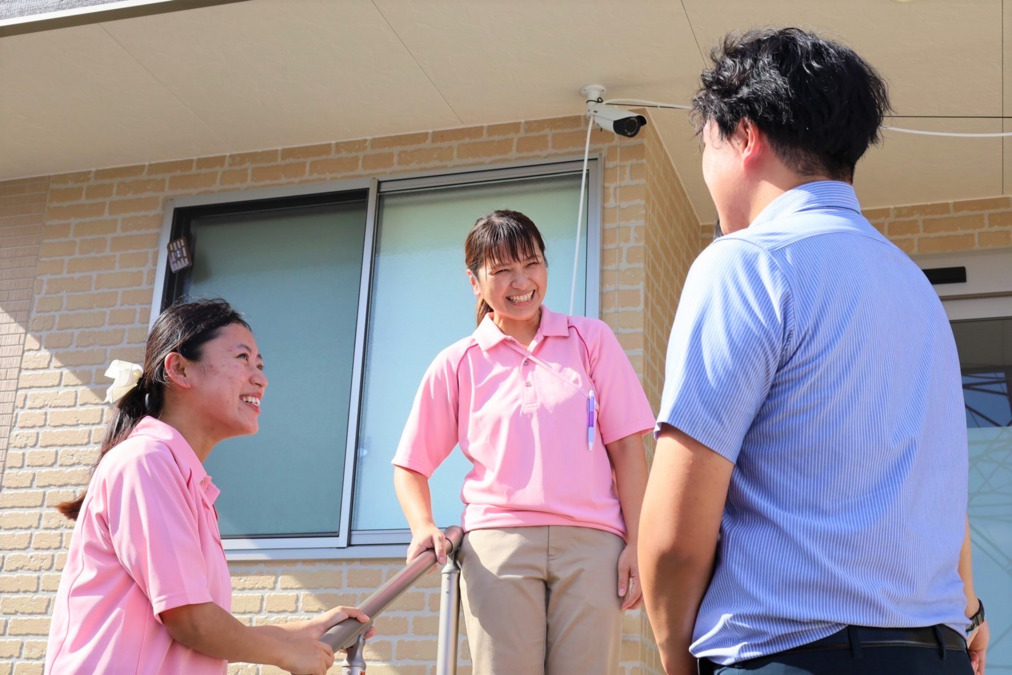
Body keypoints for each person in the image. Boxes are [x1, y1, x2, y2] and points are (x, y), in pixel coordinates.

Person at [638, 27, 989, 675]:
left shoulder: (746, 263)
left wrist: (674, 654)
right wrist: (969, 610)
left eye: (707, 144)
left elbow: (676, 535)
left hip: (790, 654)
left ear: (744, 135)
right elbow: (939, 487)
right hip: (934, 652)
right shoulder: (918, 291)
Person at [45, 298, 371, 675]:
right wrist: (286, 654)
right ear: (180, 369)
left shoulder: (179, 476)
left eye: (260, 365)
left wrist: (303, 634)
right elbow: (190, 621)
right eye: (242, 358)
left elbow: (196, 630)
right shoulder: (146, 460)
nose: (260, 378)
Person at [392, 210, 655, 674]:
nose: (521, 282)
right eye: (502, 270)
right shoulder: (457, 362)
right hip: (497, 547)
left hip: (594, 546)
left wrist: (638, 542)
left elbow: (627, 449)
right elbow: (410, 465)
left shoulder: (591, 340)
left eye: (532, 264)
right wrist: (423, 526)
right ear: (474, 282)